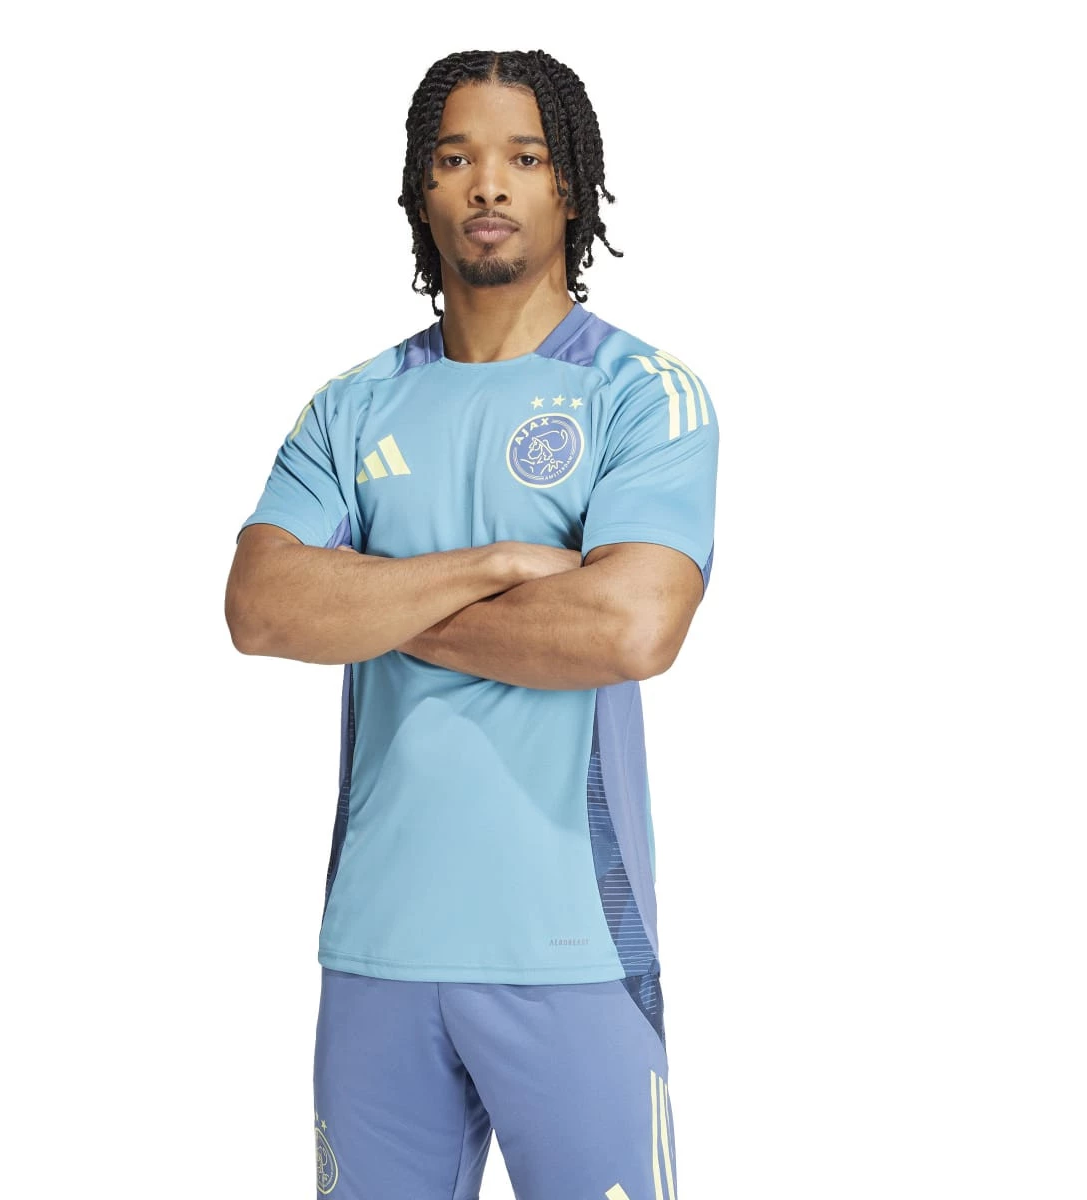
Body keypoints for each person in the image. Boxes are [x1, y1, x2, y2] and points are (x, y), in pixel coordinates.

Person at [225, 48, 718, 1200]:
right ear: (421, 189)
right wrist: (495, 567)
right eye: (456, 159)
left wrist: (369, 599)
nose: (488, 183)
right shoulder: (351, 408)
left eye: (523, 157)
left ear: (569, 187)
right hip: (377, 950)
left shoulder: (640, 394)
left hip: (571, 950)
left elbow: (631, 626)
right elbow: (261, 608)